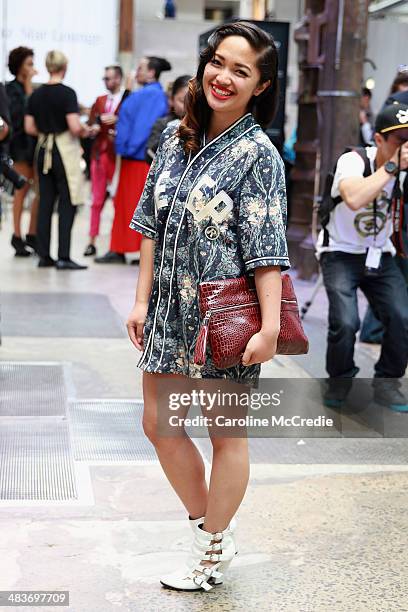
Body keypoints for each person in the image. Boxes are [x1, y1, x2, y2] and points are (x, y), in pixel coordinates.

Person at [126, 22, 289, 591]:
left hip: (225, 318)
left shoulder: (258, 156)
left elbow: (268, 250)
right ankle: (210, 526)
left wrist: (269, 328)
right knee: (160, 425)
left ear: (261, 86)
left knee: (226, 435)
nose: (223, 77)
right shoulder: (175, 137)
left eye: (241, 71)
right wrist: (142, 299)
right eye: (218, 62)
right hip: (169, 312)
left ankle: (210, 549)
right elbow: (149, 223)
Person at [316, 103, 408, 411]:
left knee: (401, 317)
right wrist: (392, 167)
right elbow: (354, 198)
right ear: (379, 140)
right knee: (345, 321)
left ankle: (387, 384)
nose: (406, 147)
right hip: (340, 252)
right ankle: (339, 382)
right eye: (401, 139)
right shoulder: (353, 160)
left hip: (380, 254)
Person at [95, 56, 170, 264]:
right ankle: (122, 248)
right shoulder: (149, 94)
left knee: (135, 205)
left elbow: (143, 128)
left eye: (140, 68)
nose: (136, 72)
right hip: (132, 157)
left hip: (137, 159)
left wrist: (128, 146)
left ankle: (134, 250)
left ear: (152, 72)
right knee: (126, 204)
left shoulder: (153, 95)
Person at [25, 50, 90, 270]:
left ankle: (44, 255)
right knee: (67, 201)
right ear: (64, 67)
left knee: (45, 202)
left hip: (43, 150)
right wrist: (85, 130)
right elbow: (73, 126)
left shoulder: (36, 94)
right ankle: (63, 256)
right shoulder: (67, 93)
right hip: (63, 152)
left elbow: (29, 127)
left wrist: (47, 131)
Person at [83, 65, 129, 257]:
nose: (106, 82)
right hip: (99, 154)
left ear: (118, 79)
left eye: (109, 78)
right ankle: (92, 240)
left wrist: (117, 120)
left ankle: (115, 244)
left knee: (119, 201)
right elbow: (91, 122)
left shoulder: (127, 99)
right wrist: (93, 127)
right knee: (97, 200)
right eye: (105, 79)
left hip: (118, 156)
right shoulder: (99, 101)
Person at [6, 47, 39, 256]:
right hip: (19, 146)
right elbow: (21, 116)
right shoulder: (11, 89)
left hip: (33, 145)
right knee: (21, 190)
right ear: (19, 66)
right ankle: (17, 235)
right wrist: (28, 87)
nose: (32, 68)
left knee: (39, 191)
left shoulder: (30, 89)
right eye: (29, 64)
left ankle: (32, 233)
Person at [145, 74, 191, 164]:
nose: (187, 106)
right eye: (182, 101)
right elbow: (148, 154)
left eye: (191, 101)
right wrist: (171, 133)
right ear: (171, 99)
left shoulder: (201, 125)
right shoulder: (162, 124)